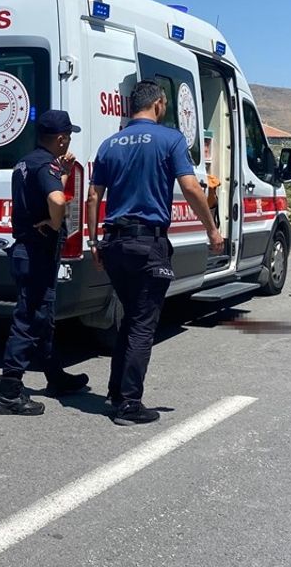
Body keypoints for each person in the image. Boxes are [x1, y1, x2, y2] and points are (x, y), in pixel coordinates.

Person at [85, 81, 225, 426]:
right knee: (142, 325)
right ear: (159, 104)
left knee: (131, 319)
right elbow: (191, 187)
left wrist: (93, 243)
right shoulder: (170, 139)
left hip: (113, 243)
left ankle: (117, 392)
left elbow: (92, 197)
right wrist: (211, 228)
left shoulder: (109, 144)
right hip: (147, 243)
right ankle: (129, 405)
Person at [0, 109, 90, 416]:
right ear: (60, 139)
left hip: (27, 250)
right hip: (36, 252)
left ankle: (55, 376)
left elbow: (44, 187)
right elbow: (57, 200)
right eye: (68, 137)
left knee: (43, 317)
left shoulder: (26, 162)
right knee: (29, 318)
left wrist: (63, 170)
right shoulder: (45, 165)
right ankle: (9, 392)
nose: (69, 141)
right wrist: (52, 220)